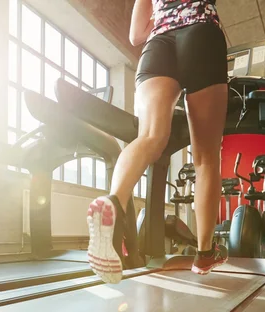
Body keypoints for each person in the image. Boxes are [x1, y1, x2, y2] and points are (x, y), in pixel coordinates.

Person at [87, 0, 229, 284]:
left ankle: (114, 202)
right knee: (205, 159)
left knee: (150, 136)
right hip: (200, 32)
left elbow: (136, 35)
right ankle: (204, 253)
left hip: (158, 47)